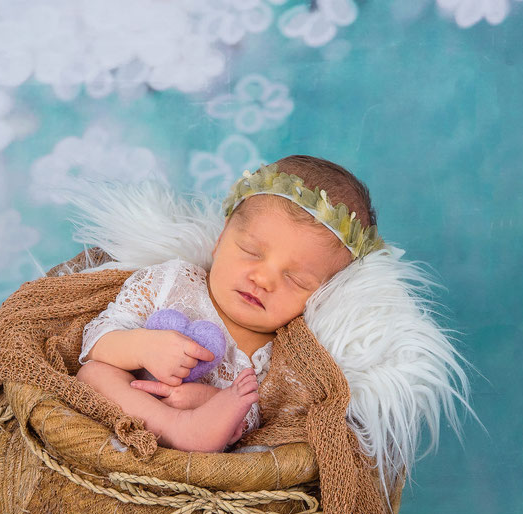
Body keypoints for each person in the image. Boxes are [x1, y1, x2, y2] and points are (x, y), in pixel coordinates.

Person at [75, 155, 383, 453]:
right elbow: (95, 341)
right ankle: (175, 426)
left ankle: (189, 429)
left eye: (296, 280)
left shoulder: (284, 353)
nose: (262, 279)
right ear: (220, 239)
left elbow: (267, 420)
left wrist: (209, 399)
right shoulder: (173, 280)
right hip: (133, 401)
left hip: (206, 448)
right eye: (251, 251)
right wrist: (142, 347)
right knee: (95, 373)